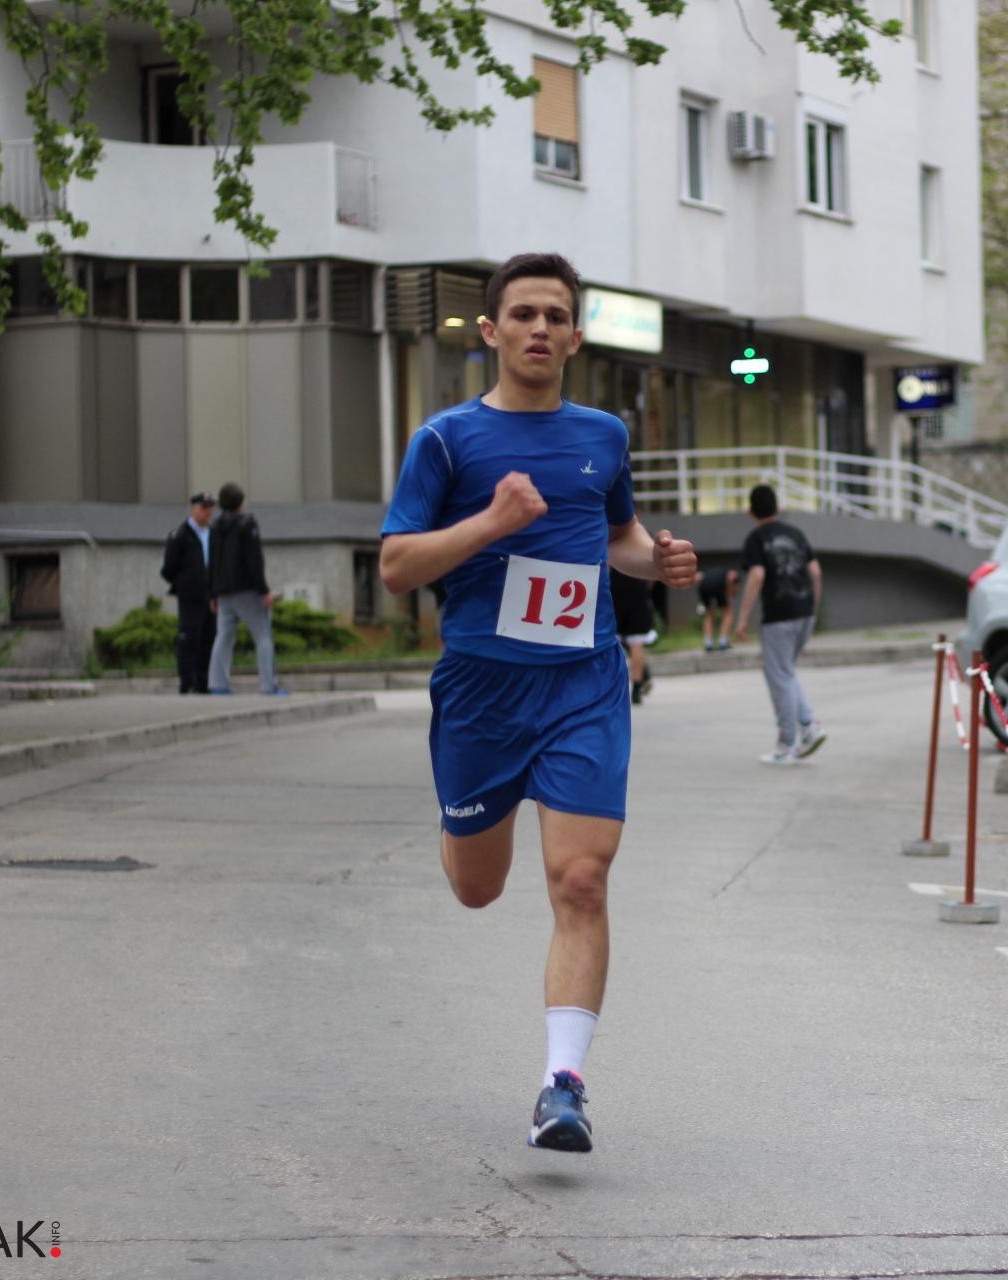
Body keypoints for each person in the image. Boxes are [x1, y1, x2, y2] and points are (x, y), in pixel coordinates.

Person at [376, 252, 696, 1154]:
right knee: (478, 889)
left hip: (583, 680)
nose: (540, 329)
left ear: (577, 334)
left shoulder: (604, 435)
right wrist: (490, 523)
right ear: (490, 332)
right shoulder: (445, 440)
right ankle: (462, 817)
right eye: (523, 315)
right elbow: (397, 566)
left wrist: (656, 560)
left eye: (556, 315)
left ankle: (564, 1085)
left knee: (581, 879)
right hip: (481, 690)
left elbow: (618, 535)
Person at [734, 484, 828, 765]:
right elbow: (815, 571)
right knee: (786, 672)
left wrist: (742, 620)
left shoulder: (756, 538)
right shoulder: (795, 533)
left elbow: (757, 576)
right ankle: (809, 726)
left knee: (779, 677)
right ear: (778, 507)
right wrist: (813, 608)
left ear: (751, 512)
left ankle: (786, 744)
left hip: (779, 615)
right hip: (804, 612)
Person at [205, 483, 283, 697]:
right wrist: (263, 589)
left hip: (223, 592)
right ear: (240, 502)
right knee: (263, 635)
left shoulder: (214, 527)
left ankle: (217, 684)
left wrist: (212, 592)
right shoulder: (247, 524)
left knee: (223, 637)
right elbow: (254, 559)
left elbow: (212, 561)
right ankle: (268, 685)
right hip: (247, 590)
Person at [161, 492, 218, 695]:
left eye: (210, 507)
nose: (207, 512)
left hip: (210, 597)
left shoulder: (213, 534)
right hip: (190, 597)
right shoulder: (180, 535)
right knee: (189, 639)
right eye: (203, 507)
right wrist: (185, 584)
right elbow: (168, 568)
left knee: (208, 640)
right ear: (193, 508)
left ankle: (204, 682)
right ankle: (187, 682)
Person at [609, 568, 657, 704]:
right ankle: (637, 686)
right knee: (636, 640)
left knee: (613, 638)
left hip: (616, 585)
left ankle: (614, 686)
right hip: (637, 585)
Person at [697, 565, 738, 652]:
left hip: (704, 584)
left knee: (708, 614)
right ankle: (723, 642)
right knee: (728, 613)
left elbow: (698, 576)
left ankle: (708, 643)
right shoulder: (730, 574)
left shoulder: (713, 572)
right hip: (719, 585)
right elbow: (732, 577)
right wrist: (730, 598)